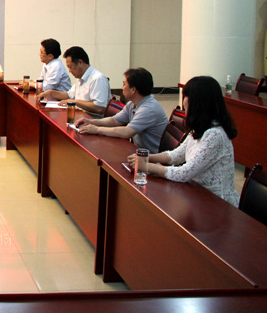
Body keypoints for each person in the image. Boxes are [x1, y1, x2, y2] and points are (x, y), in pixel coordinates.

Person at [128, 76, 239, 206]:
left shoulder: (215, 134)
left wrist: (146, 166)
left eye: (186, 96)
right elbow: (176, 156)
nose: (184, 101)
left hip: (218, 204)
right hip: (198, 194)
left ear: (198, 102)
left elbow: (185, 173)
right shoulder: (200, 128)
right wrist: (146, 158)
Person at [77, 67, 168, 153]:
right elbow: (114, 120)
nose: (122, 88)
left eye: (124, 84)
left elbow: (127, 132)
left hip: (151, 157)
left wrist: (97, 129)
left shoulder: (148, 109)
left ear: (133, 90)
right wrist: (90, 121)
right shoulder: (132, 103)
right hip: (138, 151)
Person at [38, 45, 110, 115]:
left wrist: (75, 102)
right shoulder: (81, 78)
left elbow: (100, 107)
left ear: (80, 62)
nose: (69, 71)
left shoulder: (97, 78)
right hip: (79, 115)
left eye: (70, 67)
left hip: (92, 119)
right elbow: (69, 95)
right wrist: (50, 93)